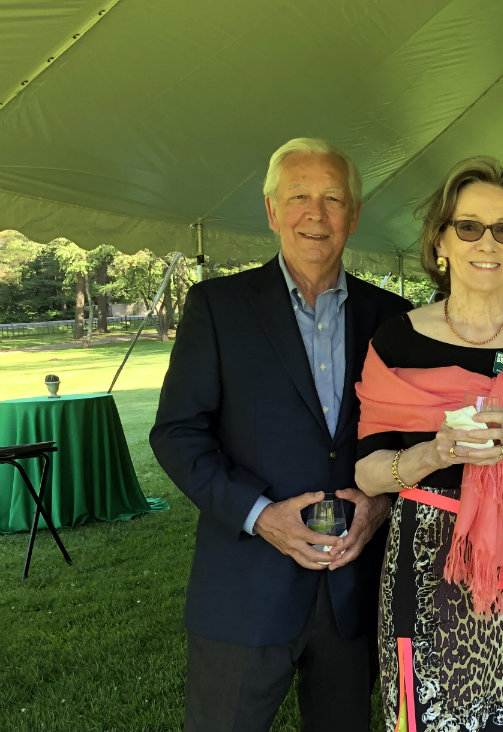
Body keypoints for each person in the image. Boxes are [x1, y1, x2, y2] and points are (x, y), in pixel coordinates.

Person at [150, 138, 413, 731]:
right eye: (298, 196)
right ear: (271, 210)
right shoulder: (218, 306)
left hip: (352, 591)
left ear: (354, 213)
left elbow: (412, 440)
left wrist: (378, 502)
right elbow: (177, 433)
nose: (315, 214)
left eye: (333, 198)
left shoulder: (392, 318)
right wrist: (261, 515)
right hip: (245, 589)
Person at [353, 156, 503, 732]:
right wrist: (436, 453)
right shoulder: (397, 338)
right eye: (470, 226)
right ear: (441, 242)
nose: (488, 242)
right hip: (427, 558)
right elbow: (367, 474)